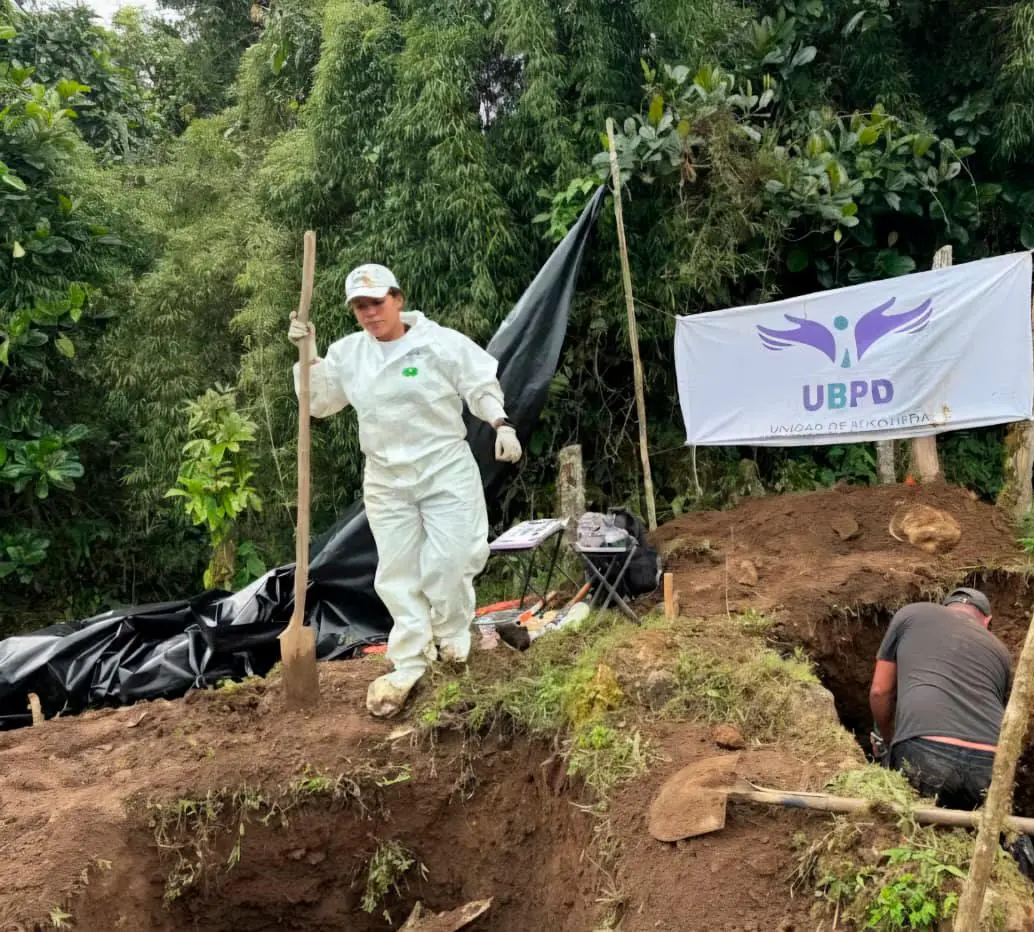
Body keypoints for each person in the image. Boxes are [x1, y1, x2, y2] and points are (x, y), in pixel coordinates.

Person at [287, 263, 522, 717]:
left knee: (451, 561)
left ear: (397, 298)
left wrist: (500, 423)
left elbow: (479, 384)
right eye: (360, 306)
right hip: (386, 479)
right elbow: (319, 403)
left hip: (443, 470)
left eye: (376, 302)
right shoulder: (349, 353)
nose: (369, 313)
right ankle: (411, 660)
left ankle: (454, 645)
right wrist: (307, 356)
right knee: (396, 571)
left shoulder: (439, 343)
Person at [869, 587, 1011, 810]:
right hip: (991, 759)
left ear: (945, 607)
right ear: (987, 620)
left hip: (925, 748)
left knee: (911, 829)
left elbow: (880, 691)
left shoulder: (911, 614)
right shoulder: (1001, 651)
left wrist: (889, 741)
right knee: (983, 834)